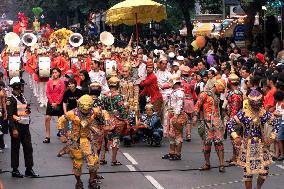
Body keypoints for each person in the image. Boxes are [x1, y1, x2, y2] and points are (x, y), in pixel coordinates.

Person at [227, 90, 280, 189]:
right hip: (248, 145)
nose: (256, 105)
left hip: (261, 145)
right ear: (250, 102)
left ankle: (258, 188)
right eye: (254, 103)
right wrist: (236, 136)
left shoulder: (264, 113)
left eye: (258, 103)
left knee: (264, 171)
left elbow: (276, 123)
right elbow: (230, 123)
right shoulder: (243, 113)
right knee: (248, 173)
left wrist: (272, 138)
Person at [57, 95, 110, 189]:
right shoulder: (72, 113)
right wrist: (61, 132)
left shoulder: (94, 111)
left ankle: (91, 181)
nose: (86, 110)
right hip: (75, 141)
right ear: (79, 105)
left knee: (94, 161)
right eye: (84, 108)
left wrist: (106, 120)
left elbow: (104, 112)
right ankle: (78, 182)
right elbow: (61, 119)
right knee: (78, 164)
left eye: (88, 108)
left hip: (88, 140)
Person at [7, 77, 38, 178]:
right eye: (21, 85)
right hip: (16, 128)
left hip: (25, 127)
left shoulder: (22, 96)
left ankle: (29, 169)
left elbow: (23, 111)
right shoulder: (10, 99)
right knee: (15, 149)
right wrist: (14, 129)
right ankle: (15, 170)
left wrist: (27, 111)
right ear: (17, 86)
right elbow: (10, 116)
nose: (22, 87)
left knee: (28, 148)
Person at [192, 79, 226, 173]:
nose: (222, 91)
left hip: (217, 122)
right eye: (222, 88)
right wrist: (195, 116)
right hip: (207, 122)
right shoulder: (204, 94)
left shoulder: (217, 96)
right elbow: (197, 105)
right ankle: (207, 163)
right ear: (217, 86)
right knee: (207, 144)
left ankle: (221, 164)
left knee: (219, 143)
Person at [101, 73, 128, 166]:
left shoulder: (105, 96)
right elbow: (122, 110)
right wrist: (126, 119)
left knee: (106, 140)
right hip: (117, 120)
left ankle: (102, 158)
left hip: (107, 119)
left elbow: (103, 108)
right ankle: (113, 160)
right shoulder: (119, 97)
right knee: (115, 139)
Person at [162, 75, 187, 160]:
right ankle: (171, 153)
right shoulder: (174, 92)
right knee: (172, 135)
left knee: (178, 135)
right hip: (172, 115)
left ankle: (178, 154)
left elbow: (179, 105)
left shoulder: (179, 92)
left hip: (177, 116)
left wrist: (176, 116)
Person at [225, 69, 243, 165]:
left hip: (235, 118)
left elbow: (235, 109)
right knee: (233, 138)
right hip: (234, 117)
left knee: (235, 138)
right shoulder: (236, 92)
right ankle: (234, 156)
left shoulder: (235, 94)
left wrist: (231, 119)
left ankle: (238, 158)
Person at [43, 67, 65, 143]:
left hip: (59, 102)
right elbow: (47, 92)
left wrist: (57, 102)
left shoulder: (62, 82)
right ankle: (47, 136)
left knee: (60, 119)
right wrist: (52, 102)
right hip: (50, 102)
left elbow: (62, 93)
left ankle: (61, 133)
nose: (54, 74)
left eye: (56, 72)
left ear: (59, 73)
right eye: (53, 73)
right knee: (47, 118)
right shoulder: (49, 82)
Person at [0, 81, 7, 152]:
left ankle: (2, 144)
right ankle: (1, 145)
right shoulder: (2, 93)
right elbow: (4, 103)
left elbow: (4, 102)